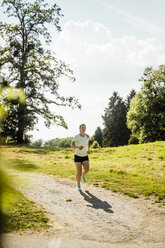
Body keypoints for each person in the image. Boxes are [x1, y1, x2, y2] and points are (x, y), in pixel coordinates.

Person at [71, 124, 90, 191]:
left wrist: (88, 150)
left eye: (85, 127)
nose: (84, 129)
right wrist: (78, 147)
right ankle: (78, 185)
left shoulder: (87, 136)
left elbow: (87, 144)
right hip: (77, 156)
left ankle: (83, 175)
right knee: (79, 172)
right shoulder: (76, 136)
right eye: (83, 128)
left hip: (85, 155)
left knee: (87, 169)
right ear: (80, 129)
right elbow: (72, 145)